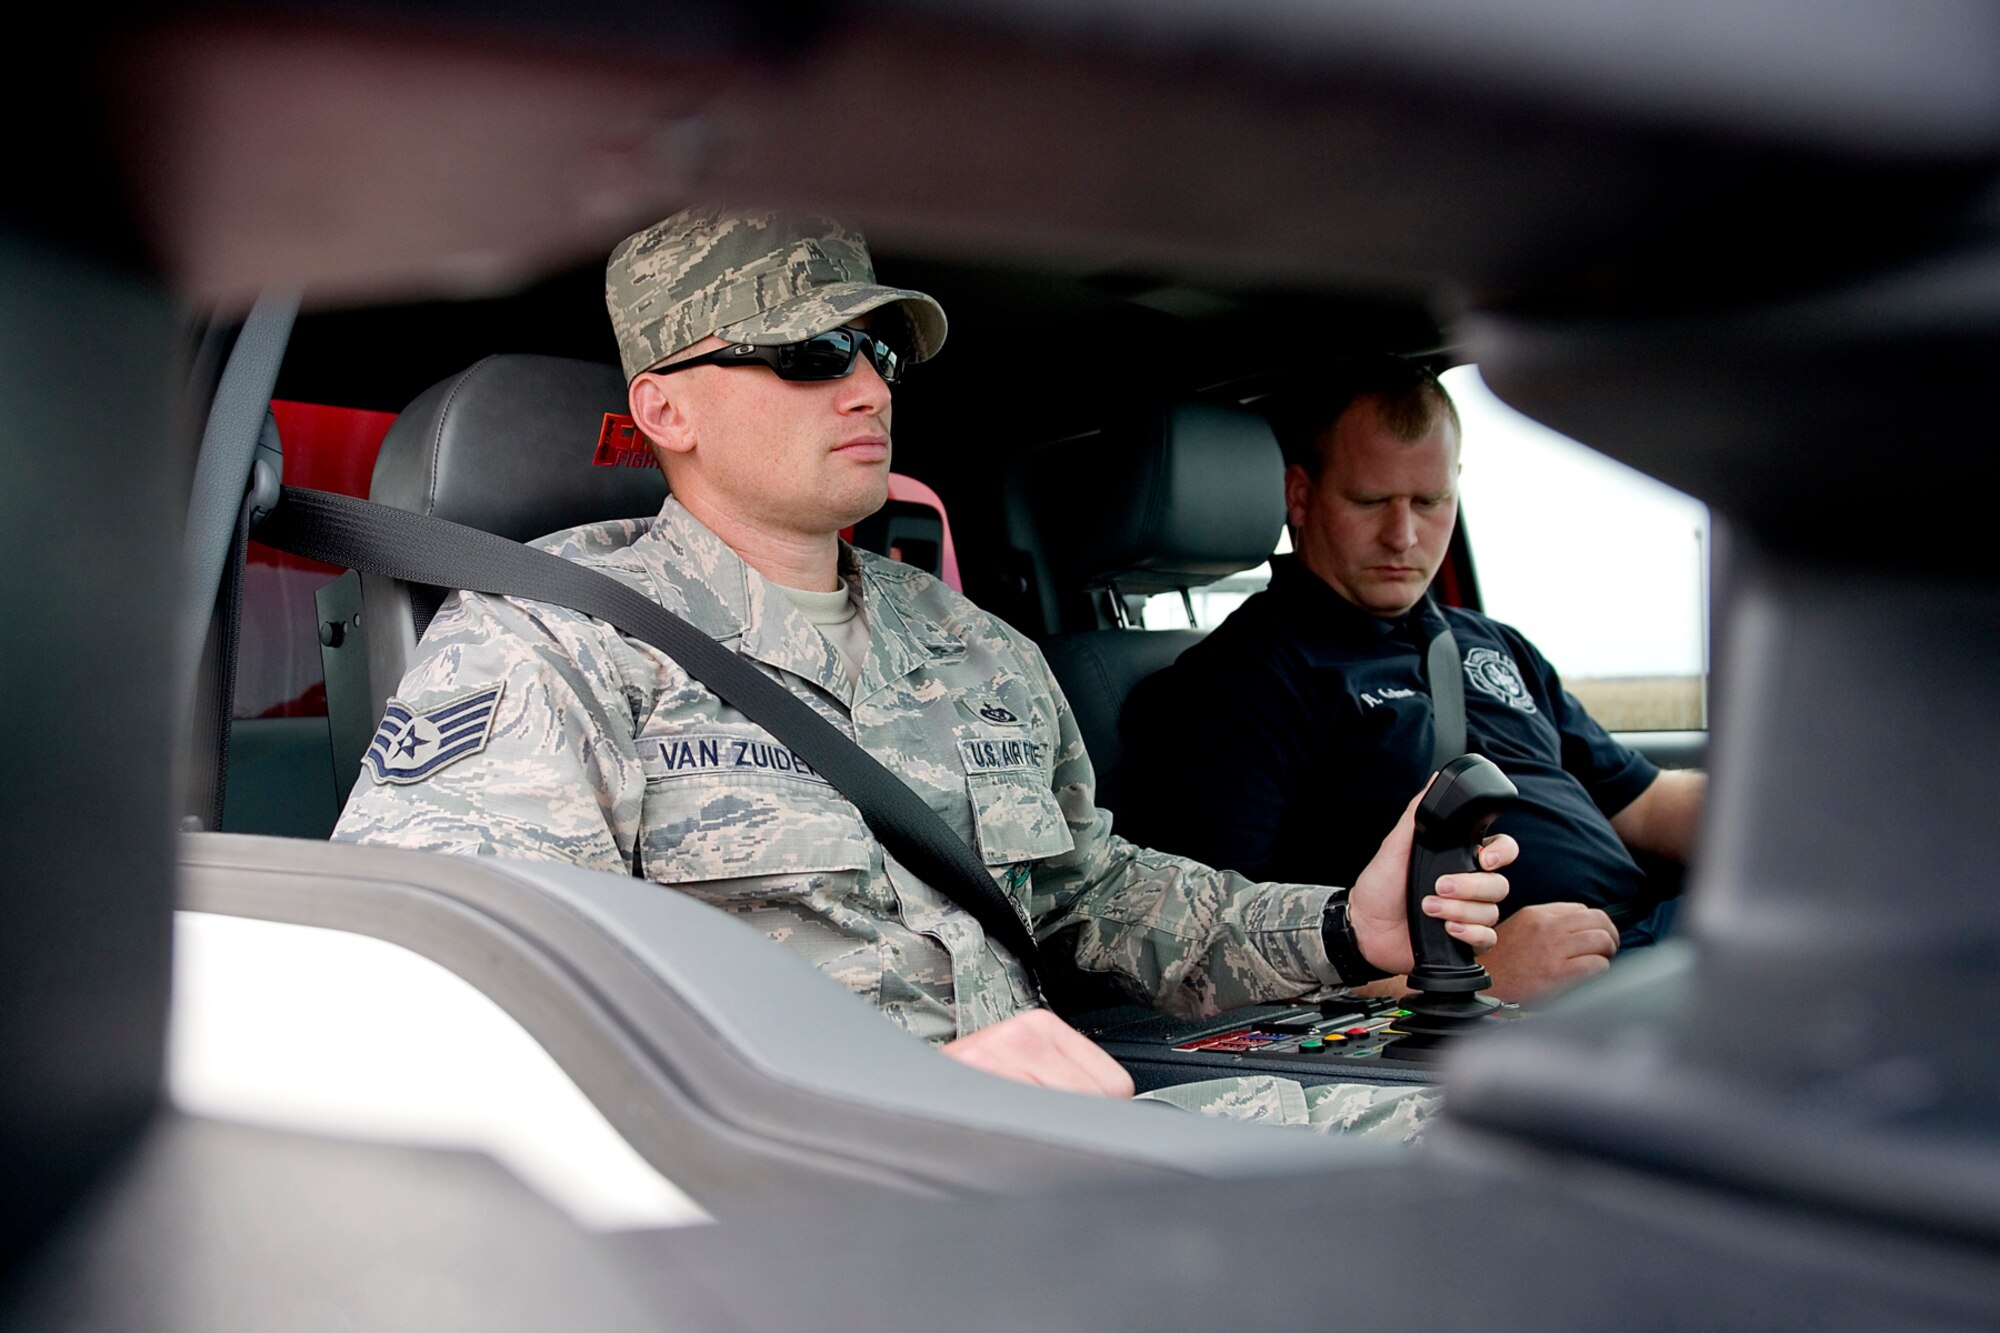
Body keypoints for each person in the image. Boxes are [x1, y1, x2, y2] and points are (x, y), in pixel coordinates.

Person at [333, 207, 1514, 1136]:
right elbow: (460, 1003)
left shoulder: (975, 645)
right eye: (808, 353)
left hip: (1059, 1137)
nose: (867, 384)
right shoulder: (546, 641)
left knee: (1524, 1142)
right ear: (664, 409)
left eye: (877, 347)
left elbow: (1093, 899)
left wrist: (1343, 929)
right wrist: (898, 1085)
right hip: (792, 1174)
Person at [1121, 356, 1705, 1002]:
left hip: (1669, 942)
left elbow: (1644, 801)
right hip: (1548, 1010)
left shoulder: (1491, 642)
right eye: (1371, 501)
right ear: (1301, 496)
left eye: (1429, 502)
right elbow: (1221, 963)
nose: (1403, 536)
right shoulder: (1237, 686)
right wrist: (1475, 980)